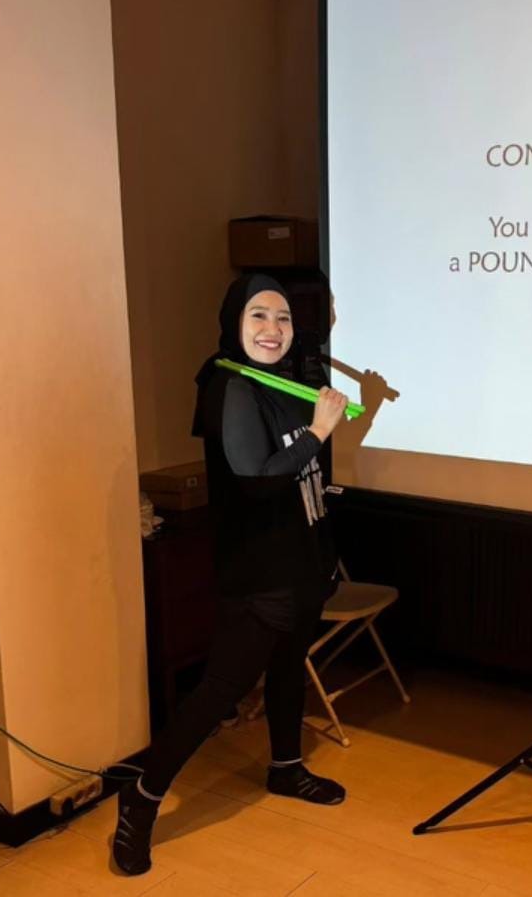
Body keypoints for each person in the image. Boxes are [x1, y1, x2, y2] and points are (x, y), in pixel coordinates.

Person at [113, 273, 349, 876]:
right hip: (259, 572)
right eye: (258, 316)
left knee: (289, 668)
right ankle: (141, 797)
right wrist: (321, 430)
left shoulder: (286, 382)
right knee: (220, 690)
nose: (273, 329)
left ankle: (286, 767)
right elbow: (258, 478)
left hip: (302, 562)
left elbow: (305, 470)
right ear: (233, 323)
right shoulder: (230, 387)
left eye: (283, 318)